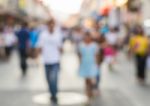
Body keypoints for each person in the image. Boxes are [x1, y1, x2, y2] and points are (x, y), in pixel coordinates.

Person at [37, 19, 63, 103]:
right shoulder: (43, 35)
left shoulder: (58, 35)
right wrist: (37, 56)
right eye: (50, 24)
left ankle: (54, 95)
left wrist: (60, 54)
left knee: (53, 78)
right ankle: (52, 92)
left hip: (55, 60)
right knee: (48, 79)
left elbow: (60, 47)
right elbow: (40, 46)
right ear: (47, 25)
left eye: (53, 24)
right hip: (46, 60)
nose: (51, 26)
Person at [78, 31, 100, 101]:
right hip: (85, 63)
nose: (87, 38)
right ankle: (88, 91)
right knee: (86, 79)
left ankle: (90, 91)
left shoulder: (94, 45)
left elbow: (96, 55)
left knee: (91, 78)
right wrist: (80, 63)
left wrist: (97, 64)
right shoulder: (81, 45)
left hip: (92, 63)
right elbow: (80, 55)